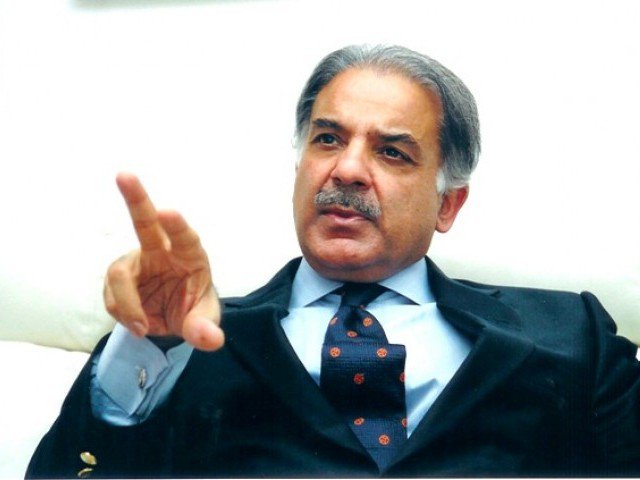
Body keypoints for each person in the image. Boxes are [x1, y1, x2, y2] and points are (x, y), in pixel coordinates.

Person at [27, 44, 640, 478]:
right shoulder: (185, 343)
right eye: (327, 139)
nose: (346, 169)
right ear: (299, 170)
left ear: (448, 204)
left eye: (392, 152)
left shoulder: (570, 335)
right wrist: (148, 344)